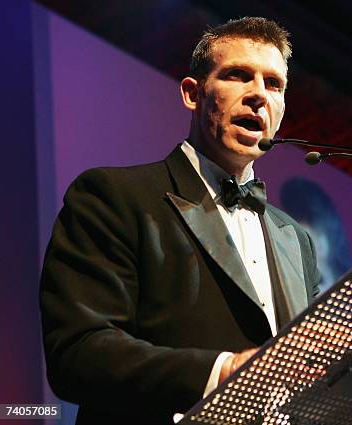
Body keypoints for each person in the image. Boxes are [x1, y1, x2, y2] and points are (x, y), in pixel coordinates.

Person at [40, 17, 320, 425]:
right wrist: (224, 371)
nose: (258, 94)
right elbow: (79, 353)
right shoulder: (114, 196)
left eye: (273, 84)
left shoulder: (295, 238)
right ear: (193, 93)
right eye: (238, 76)